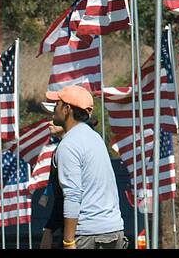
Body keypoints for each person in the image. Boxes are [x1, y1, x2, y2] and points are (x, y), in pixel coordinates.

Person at [41, 85, 125, 249]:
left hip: (88, 235)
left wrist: (69, 242)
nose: (54, 108)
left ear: (67, 109)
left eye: (57, 103)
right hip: (115, 231)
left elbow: (72, 196)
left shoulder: (68, 145)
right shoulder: (95, 138)